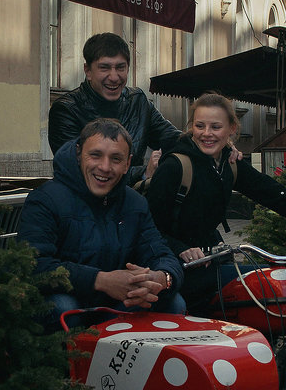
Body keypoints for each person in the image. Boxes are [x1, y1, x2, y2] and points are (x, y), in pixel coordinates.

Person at [144, 92, 286, 310]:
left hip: (210, 261)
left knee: (274, 286)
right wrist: (182, 249)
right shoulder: (175, 167)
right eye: (200, 126)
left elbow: (279, 197)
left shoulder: (228, 164)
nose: (207, 133)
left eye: (216, 127)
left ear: (231, 129)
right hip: (172, 266)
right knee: (259, 289)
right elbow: (147, 227)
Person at [18, 118, 186, 325]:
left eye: (116, 159)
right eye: (95, 155)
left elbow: (161, 253)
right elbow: (33, 266)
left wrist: (161, 278)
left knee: (172, 302)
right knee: (63, 307)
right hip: (63, 305)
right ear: (79, 154)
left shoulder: (135, 204)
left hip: (114, 305)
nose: (105, 167)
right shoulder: (45, 199)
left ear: (127, 164)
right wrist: (100, 281)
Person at [48, 33, 181, 186]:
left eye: (120, 67)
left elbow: (175, 140)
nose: (114, 77)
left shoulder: (138, 101)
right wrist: (143, 173)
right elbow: (78, 171)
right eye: (104, 68)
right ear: (88, 71)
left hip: (130, 203)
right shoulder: (66, 110)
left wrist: (205, 138)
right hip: (84, 206)